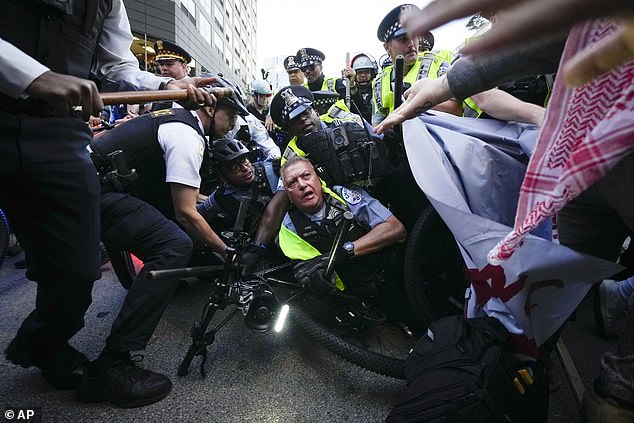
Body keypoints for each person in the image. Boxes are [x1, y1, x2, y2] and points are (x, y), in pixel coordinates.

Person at [377, 1, 634, 421]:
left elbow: (554, 35)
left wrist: (539, 116)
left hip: (572, 148)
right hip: (575, 158)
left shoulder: (453, 55)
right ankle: (527, 376)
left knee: (545, 279)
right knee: (546, 276)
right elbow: (566, 31)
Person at [0, 0, 215, 408]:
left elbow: (117, 65)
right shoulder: (184, 135)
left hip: (57, 135)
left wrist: (165, 87)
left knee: (77, 274)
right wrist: (35, 77)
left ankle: (42, 343)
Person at [278, 156, 406, 294]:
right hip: (351, 297)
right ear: (288, 195)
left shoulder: (342, 195)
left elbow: (395, 228)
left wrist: (345, 252)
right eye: (292, 183)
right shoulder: (289, 228)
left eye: (307, 176)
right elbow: (302, 272)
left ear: (318, 179)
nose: (302, 185)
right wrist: (313, 277)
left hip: (392, 277)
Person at [372, 4, 461, 126]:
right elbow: (376, 123)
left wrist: (410, 107)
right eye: (403, 39)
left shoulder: (438, 64)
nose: (411, 44)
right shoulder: (379, 82)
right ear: (387, 47)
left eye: (414, 37)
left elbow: (455, 108)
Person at [197, 137, 278, 265]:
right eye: (235, 167)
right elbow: (196, 216)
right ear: (222, 176)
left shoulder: (270, 170)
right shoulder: (220, 198)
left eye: (244, 160)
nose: (245, 168)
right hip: (256, 250)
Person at [151, 40, 192, 111]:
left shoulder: (194, 89)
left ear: (184, 66)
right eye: (161, 64)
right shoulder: (158, 88)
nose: (163, 68)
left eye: (169, 64)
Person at [349, 53, 379, 123]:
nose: (363, 75)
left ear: (373, 74)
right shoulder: (347, 91)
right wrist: (352, 86)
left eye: (366, 72)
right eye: (359, 73)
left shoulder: (378, 89)